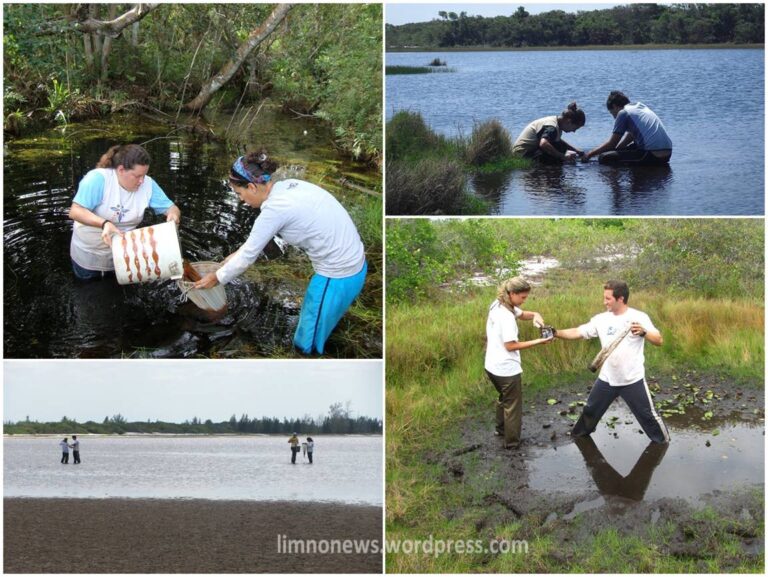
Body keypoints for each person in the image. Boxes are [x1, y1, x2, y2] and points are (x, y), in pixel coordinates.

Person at [193, 150, 367, 355]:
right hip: (356, 265)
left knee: (305, 344)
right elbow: (253, 246)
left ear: (251, 186)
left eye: (239, 194)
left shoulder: (275, 210)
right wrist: (230, 259)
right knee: (320, 324)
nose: (241, 200)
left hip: (338, 276)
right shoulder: (287, 187)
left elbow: (248, 256)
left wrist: (217, 278)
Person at [554, 280, 670, 444]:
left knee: (648, 416)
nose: (604, 302)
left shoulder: (638, 317)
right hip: (607, 379)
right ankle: (578, 437)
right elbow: (577, 332)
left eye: (608, 299)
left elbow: (659, 340)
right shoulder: (601, 319)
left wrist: (644, 332)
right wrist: (555, 333)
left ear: (620, 298)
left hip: (632, 379)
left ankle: (663, 443)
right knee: (590, 410)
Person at [68, 144, 181, 281]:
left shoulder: (147, 185)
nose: (141, 181)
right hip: (88, 256)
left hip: (124, 256)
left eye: (144, 175)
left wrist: (173, 216)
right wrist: (104, 223)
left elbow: (172, 208)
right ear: (121, 170)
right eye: (137, 176)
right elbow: (75, 211)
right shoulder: (98, 179)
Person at [485, 277, 553, 449]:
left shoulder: (499, 303)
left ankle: (500, 430)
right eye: (522, 297)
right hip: (506, 369)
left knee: (504, 398)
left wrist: (536, 315)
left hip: (491, 366)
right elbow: (511, 346)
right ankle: (513, 443)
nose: (524, 301)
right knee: (513, 406)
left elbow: (522, 314)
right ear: (512, 294)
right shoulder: (506, 317)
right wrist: (539, 341)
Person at [582, 91, 672, 165]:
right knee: (616, 152)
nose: (614, 117)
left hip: (652, 154)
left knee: (604, 157)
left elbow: (612, 143)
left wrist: (589, 155)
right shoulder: (640, 107)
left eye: (611, 113)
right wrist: (618, 150)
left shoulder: (623, 113)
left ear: (614, 106)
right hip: (667, 154)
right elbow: (631, 136)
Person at [512, 102, 586, 163]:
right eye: (575, 128)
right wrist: (562, 156)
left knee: (560, 147)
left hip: (529, 151)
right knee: (555, 156)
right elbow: (543, 144)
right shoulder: (552, 127)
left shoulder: (557, 123)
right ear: (569, 122)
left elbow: (558, 140)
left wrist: (576, 151)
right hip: (521, 154)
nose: (574, 131)